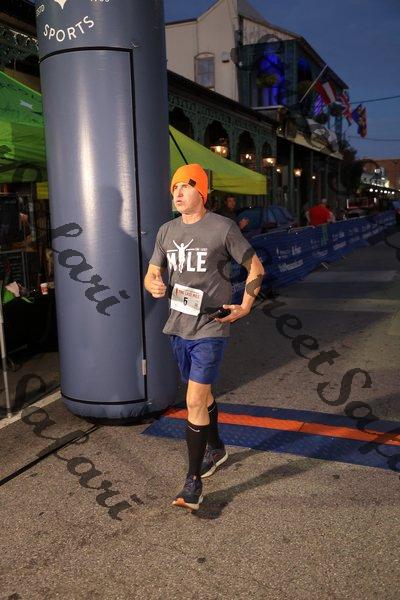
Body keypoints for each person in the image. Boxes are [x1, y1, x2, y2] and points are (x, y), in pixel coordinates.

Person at [144, 164, 265, 511]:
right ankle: (217, 448)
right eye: (174, 188)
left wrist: (245, 306)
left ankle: (192, 482)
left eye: (185, 186)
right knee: (203, 394)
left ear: (202, 191)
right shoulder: (166, 231)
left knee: (194, 400)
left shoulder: (223, 227)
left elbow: (255, 267)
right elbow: (152, 273)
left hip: (211, 325)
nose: (178, 193)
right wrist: (152, 284)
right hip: (177, 325)